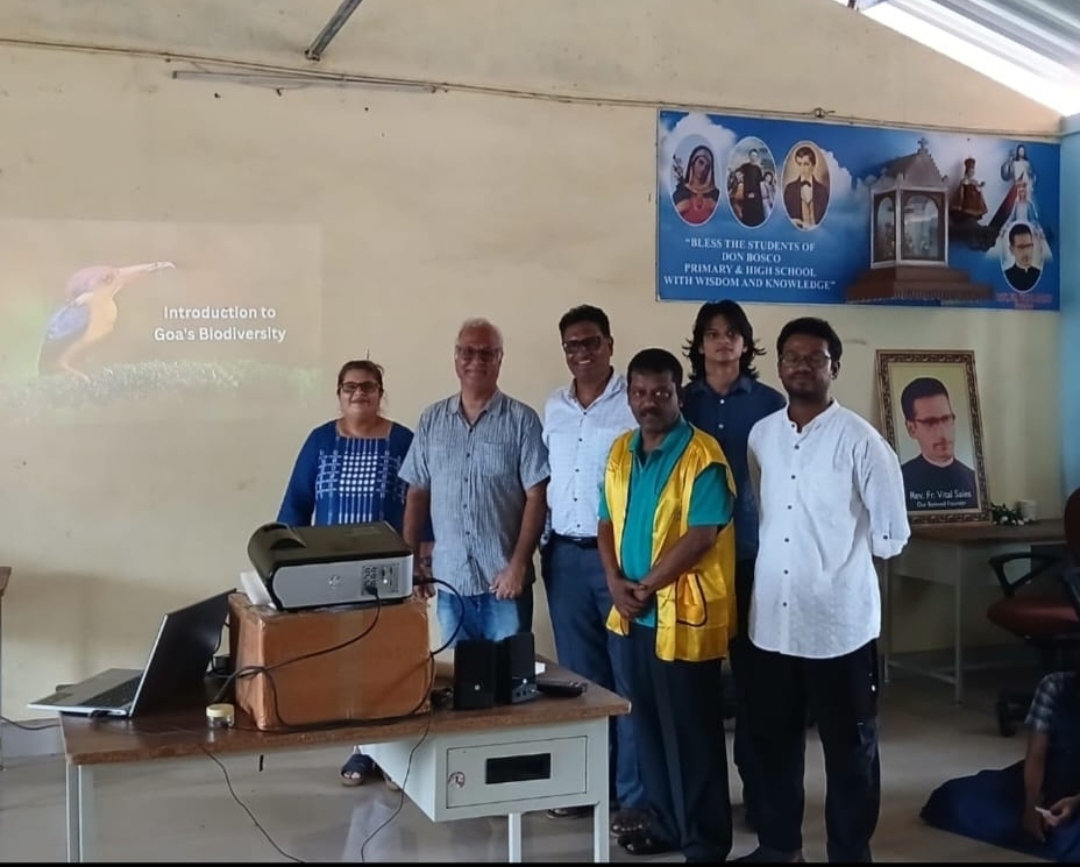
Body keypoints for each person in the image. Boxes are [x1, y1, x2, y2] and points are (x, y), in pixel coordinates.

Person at [736, 317, 910, 863]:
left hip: (840, 627)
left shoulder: (863, 441)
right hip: (773, 624)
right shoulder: (762, 435)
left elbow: (891, 537)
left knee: (849, 751)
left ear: (835, 366)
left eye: (815, 357)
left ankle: (849, 851)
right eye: (791, 356)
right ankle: (779, 846)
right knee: (772, 746)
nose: (802, 366)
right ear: (779, 365)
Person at [600, 347, 737, 863]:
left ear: (679, 393)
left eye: (661, 391)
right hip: (633, 618)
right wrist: (614, 581)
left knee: (693, 735)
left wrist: (644, 585)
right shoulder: (620, 451)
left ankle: (705, 841)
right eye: (639, 392)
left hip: (682, 617)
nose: (649, 402)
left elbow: (702, 535)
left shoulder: (704, 454)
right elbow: (605, 521)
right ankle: (662, 823)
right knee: (649, 728)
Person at [276, 359, 429, 788]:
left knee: (394, 665)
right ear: (338, 394)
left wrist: (423, 564)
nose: (359, 394)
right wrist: (285, 564)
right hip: (333, 577)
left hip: (390, 574)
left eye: (368, 386)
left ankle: (396, 755)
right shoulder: (320, 442)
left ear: (381, 392)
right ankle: (363, 750)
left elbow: (422, 503)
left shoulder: (403, 441)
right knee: (353, 666)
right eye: (350, 387)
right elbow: (295, 506)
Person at [540, 305, 647, 835]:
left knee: (627, 681)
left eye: (590, 343)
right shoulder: (554, 406)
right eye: (571, 346)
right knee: (580, 683)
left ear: (609, 342)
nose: (581, 353)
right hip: (563, 558)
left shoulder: (634, 402)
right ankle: (587, 788)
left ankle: (632, 797)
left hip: (619, 564)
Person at [682, 300, 786, 834]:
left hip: (752, 557)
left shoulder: (771, 403)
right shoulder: (681, 402)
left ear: (746, 344)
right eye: (713, 334)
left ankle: (762, 798)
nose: (723, 343)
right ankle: (702, 805)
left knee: (756, 687)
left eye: (733, 335)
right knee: (696, 688)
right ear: (699, 344)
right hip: (692, 567)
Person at [400, 318, 549, 647]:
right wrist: (413, 565)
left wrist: (519, 566)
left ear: (500, 359)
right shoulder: (432, 420)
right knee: (461, 687)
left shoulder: (522, 421)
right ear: (456, 357)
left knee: (508, 687)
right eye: (468, 352)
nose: (476, 361)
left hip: (504, 584)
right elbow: (416, 494)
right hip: (450, 584)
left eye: (487, 353)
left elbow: (537, 498)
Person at [921, 669, 1080, 862]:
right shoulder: (1055, 686)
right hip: (1048, 779)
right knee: (950, 800)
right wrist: (1031, 807)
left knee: (1063, 838)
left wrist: (1075, 802)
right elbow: (1036, 754)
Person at [898, 376, 978, 512]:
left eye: (946, 419)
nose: (943, 433)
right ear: (911, 429)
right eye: (930, 422)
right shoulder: (899, 480)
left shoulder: (974, 481)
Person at [783, 145, 829, 230]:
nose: (802, 169)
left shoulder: (823, 191)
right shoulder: (789, 189)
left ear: (813, 166)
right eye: (799, 164)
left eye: (806, 164)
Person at [672, 144, 720, 226]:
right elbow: (670, 223)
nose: (703, 169)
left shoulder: (715, 195)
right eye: (701, 162)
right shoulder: (680, 193)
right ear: (693, 162)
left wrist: (715, 208)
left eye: (707, 167)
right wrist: (680, 208)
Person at [1004, 223, 1041, 292]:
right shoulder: (1008, 275)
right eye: (1021, 247)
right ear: (1012, 250)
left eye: (1029, 246)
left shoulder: (1038, 273)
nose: (1026, 252)